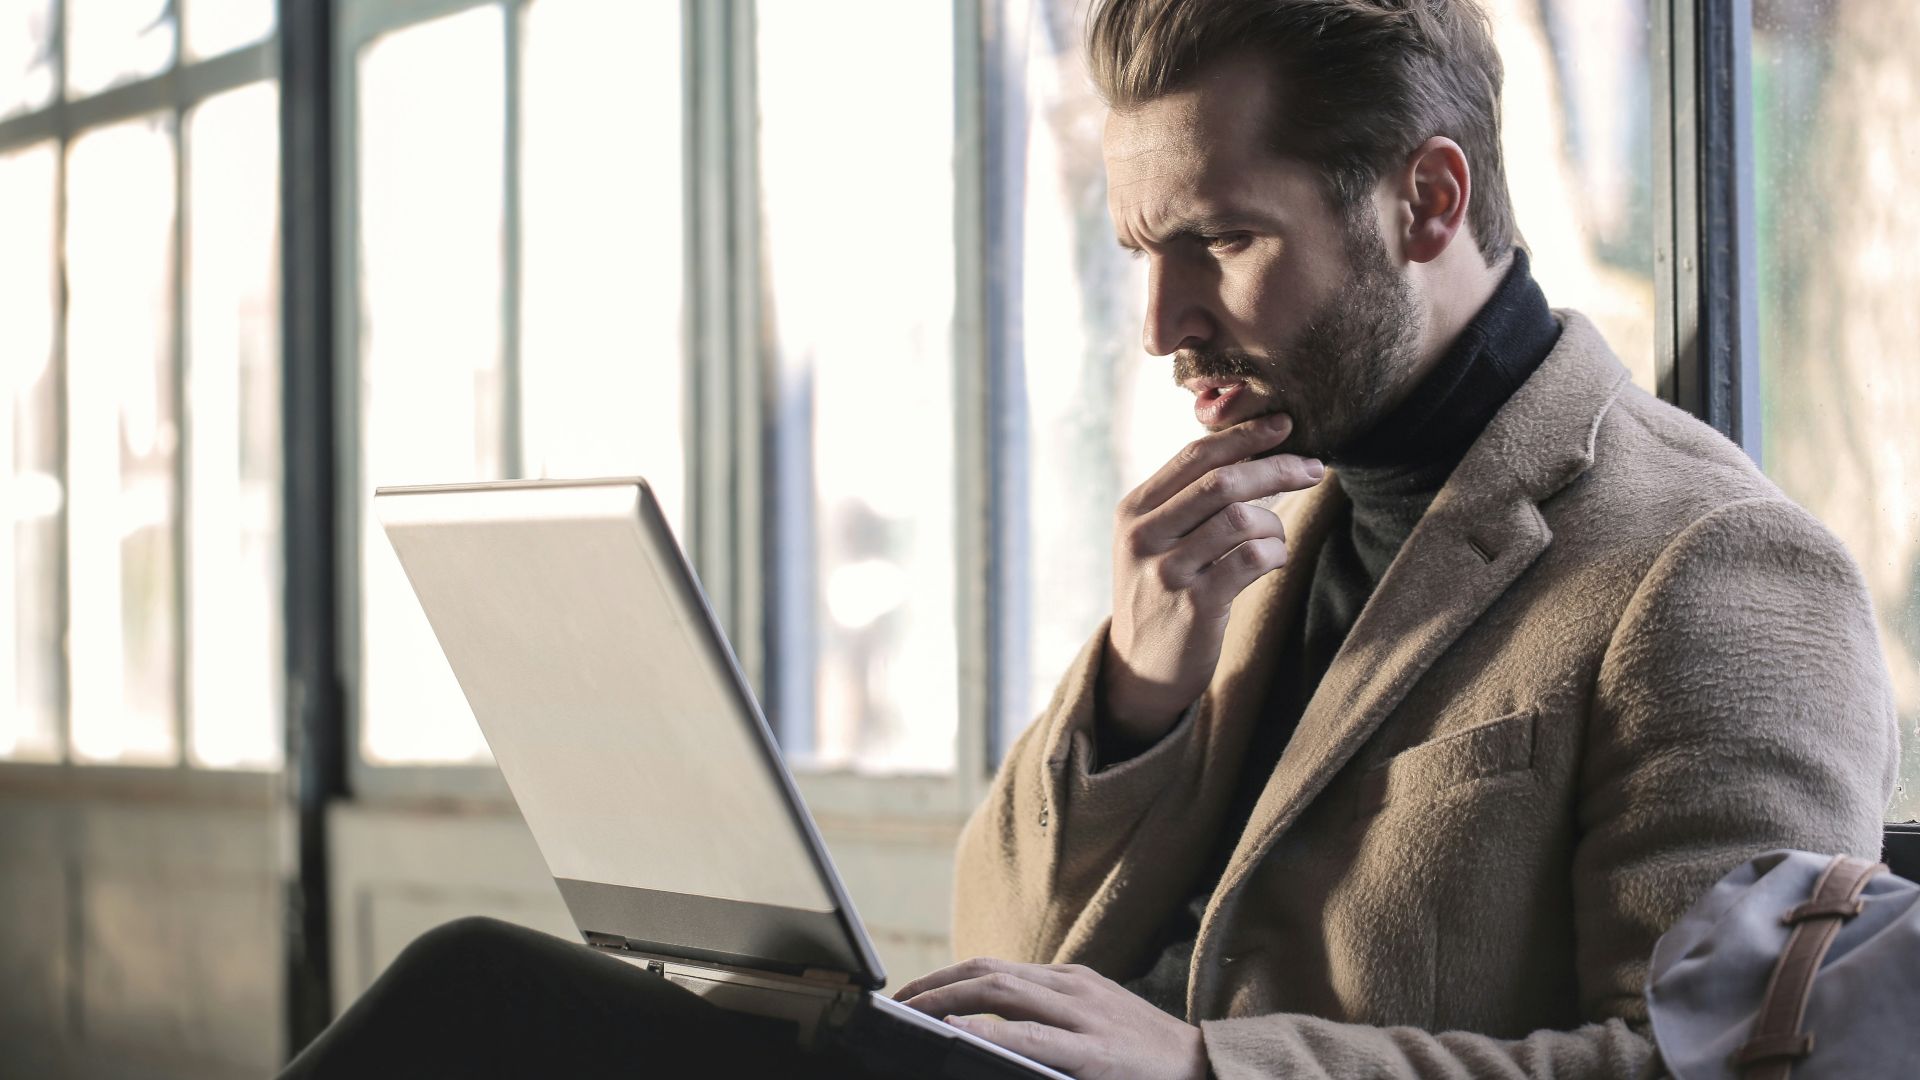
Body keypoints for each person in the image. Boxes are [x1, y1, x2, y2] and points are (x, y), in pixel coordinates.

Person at [281, 1, 1899, 1078]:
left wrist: (1202, 1068)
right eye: (1141, 247)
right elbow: (1003, 952)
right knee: (507, 1005)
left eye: (1223, 240)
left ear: (1427, 200)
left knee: (481, 1000)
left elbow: (1713, 1066)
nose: (1161, 325)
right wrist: (1135, 690)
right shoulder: (1265, 523)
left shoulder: (1716, 568)